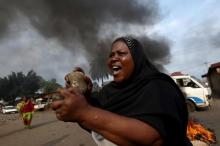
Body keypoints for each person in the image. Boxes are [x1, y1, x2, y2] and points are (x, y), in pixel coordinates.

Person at [52, 36, 192, 146]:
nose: (114, 58)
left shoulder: (159, 86)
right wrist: (83, 95)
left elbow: (153, 139)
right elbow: (100, 121)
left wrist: (84, 113)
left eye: (121, 53)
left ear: (137, 59)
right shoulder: (111, 91)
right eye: (111, 55)